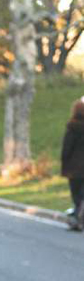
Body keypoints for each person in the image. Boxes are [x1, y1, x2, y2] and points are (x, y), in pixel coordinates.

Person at [60, 97, 84, 232]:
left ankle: (78, 217)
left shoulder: (72, 127)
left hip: (74, 168)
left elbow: (67, 148)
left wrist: (64, 162)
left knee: (76, 194)